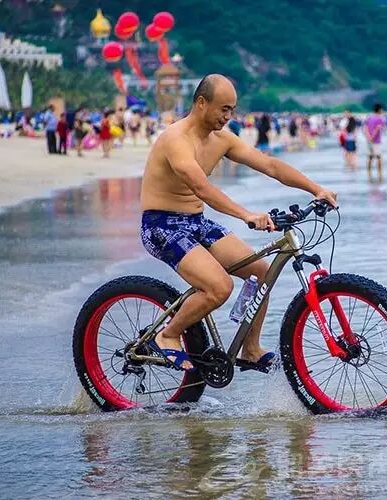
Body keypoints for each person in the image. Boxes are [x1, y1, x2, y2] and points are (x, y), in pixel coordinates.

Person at [139, 74, 337, 371]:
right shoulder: (176, 139)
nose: (228, 116)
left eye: (232, 110)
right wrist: (246, 215)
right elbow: (201, 188)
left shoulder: (222, 139)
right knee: (219, 287)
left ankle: (250, 349)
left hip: (196, 221)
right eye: (224, 109)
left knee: (261, 273)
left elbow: (270, 165)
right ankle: (168, 335)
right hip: (161, 226)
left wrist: (315, 189)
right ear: (202, 103)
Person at [364, 103, 386, 183]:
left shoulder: (369, 117)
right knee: (379, 157)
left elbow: (365, 128)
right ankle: (380, 174)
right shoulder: (380, 118)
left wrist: (368, 137)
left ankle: (369, 173)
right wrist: (372, 137)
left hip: (369, 140)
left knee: (370, 157)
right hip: (376, 141)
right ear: (380, 110)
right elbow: (378, 128)